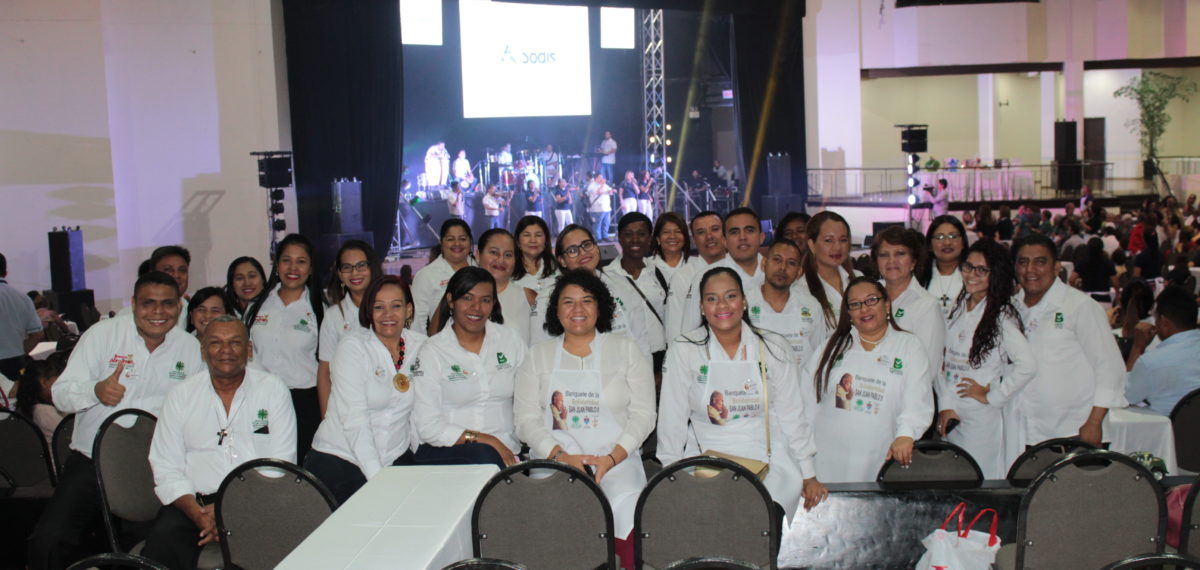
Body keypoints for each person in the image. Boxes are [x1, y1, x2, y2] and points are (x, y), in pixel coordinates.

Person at [29, 271, 204, 570]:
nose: (159, 312)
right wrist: (95, 390)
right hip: (92, 459)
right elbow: (60, 394)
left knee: (155, 549)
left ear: (179, 306)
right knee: (49, 540)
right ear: (134, 304)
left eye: (168, 304)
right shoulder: (102, 335)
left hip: (154, 466)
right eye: (149, 303)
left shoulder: (189, 349)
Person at [658, 267, 826, 518]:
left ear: (744, 301)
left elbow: (792, 414)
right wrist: (671, 475)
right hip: (706, 462)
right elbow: (672, 420)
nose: (722, 305)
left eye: (731, 296)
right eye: (712, 298)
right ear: (702, 307)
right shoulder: (684, 349)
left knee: (762, 520)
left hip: (769, 463)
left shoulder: (773, 347)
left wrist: (808, 473)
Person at [514, 269, 656, 560]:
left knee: (630, 527)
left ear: (600, 306)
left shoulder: (626, 350)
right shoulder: (537, 355)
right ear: (556, 309)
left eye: (587, 300)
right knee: (559, 539)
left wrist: (612, 458)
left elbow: (644, 415)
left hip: (617, 464)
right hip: (557, 465)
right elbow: (525, 421)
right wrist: (562, 457)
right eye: (568, 302)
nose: (578, 309)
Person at [142, 315, 296, 570]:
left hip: (257, 501)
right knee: (161, 549)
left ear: (248, 350)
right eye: (215, 343)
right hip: (193, 505)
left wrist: (230, 510)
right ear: (203, 351)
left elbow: (280, 465)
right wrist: (199, 515)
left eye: (235, 342)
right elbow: (166, 466)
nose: (226, 350)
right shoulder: (180, 396)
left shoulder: (274, 390)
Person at [305, 276, 428, 504]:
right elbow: (354, 419)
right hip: (342, 457)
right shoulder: (352, 348)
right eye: (379, 307)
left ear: (409, 310)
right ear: (368, 311)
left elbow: (421, 410)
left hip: (395, 455)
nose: (387, 314)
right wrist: (377, 477)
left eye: (396, 306)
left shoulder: (422, 347)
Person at [801, 277, 934, 483]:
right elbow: (807, 399)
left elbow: (918, 398)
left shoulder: (909, 346)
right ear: (849, 313)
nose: (864, 309)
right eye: (855, 304)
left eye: (871, 300)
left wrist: (906, 434)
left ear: (887, 304)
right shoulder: (833, 346)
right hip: (827, 456)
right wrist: (804, 460)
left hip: (879, 455)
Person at [1012, 234, 1126, 448]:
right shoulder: (1010, 308)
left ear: (1056, 267)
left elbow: (1110, 367)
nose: (1030, 269)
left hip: (1075, 431)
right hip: (1023, 433)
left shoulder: (1080, 306)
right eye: (1023, 262)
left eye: (1040, 262)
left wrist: (1094, 422)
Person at [936, 240, 1037, 478]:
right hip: (952, 414)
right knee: (954, 478)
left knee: (978, 479)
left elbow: (1028, 366)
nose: (972, 275)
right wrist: (946, 405)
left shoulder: (1002, 316)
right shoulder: (959, 306)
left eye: (981, 270)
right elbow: (942, 360)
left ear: (996, 275)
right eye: (968, 267)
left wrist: (993, 395)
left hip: (980, 417)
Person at [412, 267, 527, 469]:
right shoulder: (433, 351)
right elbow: (428, 427)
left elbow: (531, 398)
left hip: (508, 451)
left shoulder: (510, 340)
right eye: (467, 298)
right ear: (450, 300)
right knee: (485, 456)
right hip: (447, 450)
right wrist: (487, 440)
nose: (476, 308)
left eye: (485, 300)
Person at [243, 233, 325, 462]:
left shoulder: (321, 309)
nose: (293, 268)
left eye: (301, 261)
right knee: (262, 460)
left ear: (310, 268)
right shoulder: (257, 305)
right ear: (277, 264)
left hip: (304, 401)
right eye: (287, 260)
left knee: (301, 464)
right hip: (261, 398)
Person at [531, 225, 663, 358]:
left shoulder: (622, 286)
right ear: (562, 261)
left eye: (586, 245)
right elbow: (539, 348)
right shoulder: (549, 296)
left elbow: (641, 343)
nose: (582, 253)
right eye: (572, 250)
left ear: (596, 247)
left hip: (622, 372)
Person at [677, 208, 767, 338]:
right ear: (724, 240)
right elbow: (689, 331)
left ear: (761, 237)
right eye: (734, 232)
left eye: (749, 230)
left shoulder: (777, 272)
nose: (742, 237)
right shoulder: (706, 276)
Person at [318, 241, 383, 416]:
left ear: (372, 267)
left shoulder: (391, 308)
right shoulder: (333, 316)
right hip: (347, 408)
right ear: (339, 274)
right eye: (347, 267)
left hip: (390, 406)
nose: (355, 273)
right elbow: (325, 372)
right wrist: (326, 418)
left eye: (361, 266)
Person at [871, 227, 946, 378]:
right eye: (884, 255)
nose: (892, 261)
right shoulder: (868, 297)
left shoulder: (927, 305)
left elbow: (928, 369)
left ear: (913, 261)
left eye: (900, 253)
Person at [744, 239, 825, 366]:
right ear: (764, 263)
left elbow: (819, 355)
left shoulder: (811, 306)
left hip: (801, 384)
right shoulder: (744, 303)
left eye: (791, 263)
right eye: (777, 259)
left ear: (799, 272)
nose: (782, 267)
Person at [607, 213, 669, 378]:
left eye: (641, 234)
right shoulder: (606, 276)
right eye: (628, 234)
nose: (635, 239)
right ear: (619, 238)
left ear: (650, 238)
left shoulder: (659, 272)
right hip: (622, 358)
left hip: (660, 356)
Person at [1124, 285, 1200, 416]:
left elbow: (1125, 397)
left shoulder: (1151, 362)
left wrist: (1138, 347)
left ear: (1164, 322)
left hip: (1171, 433)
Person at [664, 211, 728, 343]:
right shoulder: (683, 277)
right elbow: (674, 332)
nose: (709, 236)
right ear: (693, 239)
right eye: (701, 232)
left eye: (715, 229)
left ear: (725, 233)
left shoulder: (739, 269)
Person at [472, 229, 537, 344]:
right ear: (478, 255)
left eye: (508, 255)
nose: (501, 260)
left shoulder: (528, 296)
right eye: (494, 252)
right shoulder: (462, 295)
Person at [798, 211, 856, 337]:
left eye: (843, 240)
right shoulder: (801, 289)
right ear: (812, 245)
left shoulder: (859, 279)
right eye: (828, 240)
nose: (837, 247)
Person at [410, 219, 474, 333]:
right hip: (440, 346)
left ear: (470, 242)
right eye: (450, 239)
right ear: (441, 242)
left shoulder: (480, 270)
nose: (457, 244)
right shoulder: (426, 275)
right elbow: (417, 322)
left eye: (462, 239)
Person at [0, 252, 43, 381]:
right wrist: (21, 351)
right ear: (6, 273)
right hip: (16, 361)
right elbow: (38, 334)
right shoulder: (23, 297)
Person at [14, 354, 68, 446]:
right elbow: (68, 433)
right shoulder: (44, 411)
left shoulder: (40, 407)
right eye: (57, 381)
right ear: (43, 382)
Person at [921, 215, 968, 319]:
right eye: (940, 237)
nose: (947, 242)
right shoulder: (918, 277)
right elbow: (902, 312)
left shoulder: (973, 276)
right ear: (929, 245)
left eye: (953, 236)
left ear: (963, 242)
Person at [647, 212, 697, 284]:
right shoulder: (647, 266)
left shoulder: (696, 264)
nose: (672, 236)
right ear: (658, 239)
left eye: (678, 231)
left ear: (685, 237)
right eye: (666, 232)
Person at [512, 215, 557, 293]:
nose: (533, 240)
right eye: (527, 235)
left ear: (546, 240)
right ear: (518, 242)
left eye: (538, 235)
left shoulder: (557, 265)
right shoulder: (509, 269)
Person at [586, 175, 615, 240]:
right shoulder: (592, 185)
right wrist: (602, 185)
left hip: (607, 208)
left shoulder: (605, 185)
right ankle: (598, 238)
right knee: (597, 224)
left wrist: (612, 191)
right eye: (600, 178)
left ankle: (605, 237)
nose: (602, 179)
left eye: (602, 178)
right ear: (596, 178)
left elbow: (611, 191)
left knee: (606, 223)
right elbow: (598, 192)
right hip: (597, 209)